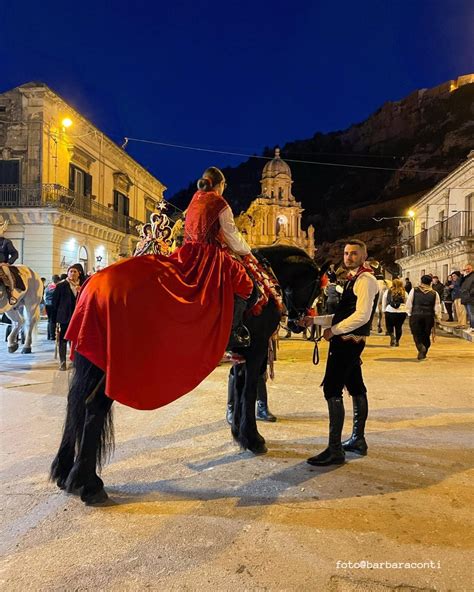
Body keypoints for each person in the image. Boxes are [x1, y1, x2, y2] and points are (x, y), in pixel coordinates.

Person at [65, 167, 254, 410]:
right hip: (208, 257)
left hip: (187, 252)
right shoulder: (220, 203)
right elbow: (231, 235)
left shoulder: (194, 200)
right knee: (245, 284)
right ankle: (233, 336)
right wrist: (247, 251)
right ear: (220, 184)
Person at [303, 240, 379, 466]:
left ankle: (335, 449)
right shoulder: (353, 279)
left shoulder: (366, 280)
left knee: (332, 388)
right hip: (349, 340)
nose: (349, 257)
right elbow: (343, 315)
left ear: (364, 256)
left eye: (354, 253)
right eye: (346, 253)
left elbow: (362, 316)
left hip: (348, 342)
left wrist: (333, 331)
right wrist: (314, 320)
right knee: (355, 385)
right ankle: (358, 440)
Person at [51, 266, 80, 370]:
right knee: (63, 339)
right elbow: (55, 303)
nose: (72, 273)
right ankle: (62, 361)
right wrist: (54, 320)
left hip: (77, 318)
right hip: (64, 317)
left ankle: (75, 360)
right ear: (67, 273)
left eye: (74, 271)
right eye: (70, 271)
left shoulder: (82, 286)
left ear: (78, 273)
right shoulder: (61, 286)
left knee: (75, 340)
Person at [406, 275, 441, 360]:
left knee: (416, 334)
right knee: (426, 334)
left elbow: (409, 302)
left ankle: (421, 348)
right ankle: (424, 351)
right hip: (428, 316)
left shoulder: (414, 290)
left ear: (421, 281)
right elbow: (437, 306)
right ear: (430, 282)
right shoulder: (434, 293)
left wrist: (409, 313)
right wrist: (438, 317)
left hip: (416, 315)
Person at [382, 278, 408, 346]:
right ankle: (397, 341)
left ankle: (392, 336)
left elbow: (384, 301)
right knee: (399, 327)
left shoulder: (388, 291)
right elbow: (407, 302)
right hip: (401, 312)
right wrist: (407, 311)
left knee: (389, 326)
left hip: (390, 311)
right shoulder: (404, 292)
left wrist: (384, 310)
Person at [0, 217, 20, 305]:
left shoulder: (6, 242)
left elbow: (15, 254)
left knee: (8, 276)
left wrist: (8, 263)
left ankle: (11, 295)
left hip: (2, 264)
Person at [44, 275, 61, 340]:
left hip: (47, 304)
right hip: (53, 305)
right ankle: (52, 336)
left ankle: (49, 335)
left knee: (49, 320)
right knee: (52, 320)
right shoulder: (56, 288)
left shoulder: (48, 287)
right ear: (58, 280)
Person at [460, 263, 474, 332]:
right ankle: (471, 326)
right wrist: (462, 275)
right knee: (469, 313)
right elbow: (460, 283)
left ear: (472, 269)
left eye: (469, 268)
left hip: (471, 298)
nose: (467, 270)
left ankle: (473, 327)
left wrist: (469, 293)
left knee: (471, 313)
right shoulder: (466, 277)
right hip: (465, 298)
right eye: (466, 269)